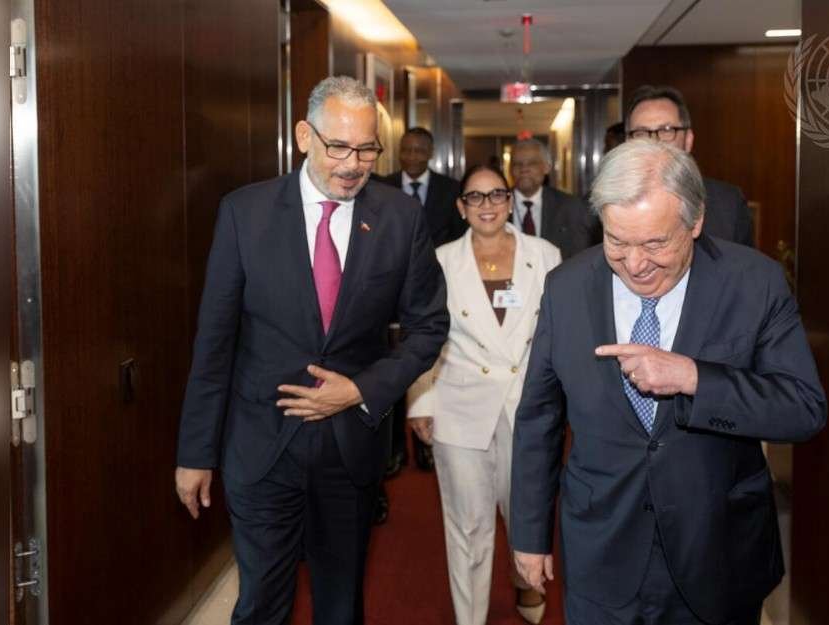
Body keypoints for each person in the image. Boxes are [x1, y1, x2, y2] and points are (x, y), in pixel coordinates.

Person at [510, 139, 827, 625]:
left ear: (695, 221)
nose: (635, 265)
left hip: (717, 549)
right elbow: (539, 419)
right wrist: (530, 535)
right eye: (618, 241)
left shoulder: (754, 283)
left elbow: (803, 408)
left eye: (655, 244)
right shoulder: (566, 288)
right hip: (602, 548)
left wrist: (697, 378)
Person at [174, 76, 449, 625]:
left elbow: (429, 327)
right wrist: (195, 453)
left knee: (340, 604)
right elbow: (215, 344)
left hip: (348, 456)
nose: (353, 163)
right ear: (304, 135)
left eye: (367, 149)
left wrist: (360, 390)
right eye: (338, 147)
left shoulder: (399, 218)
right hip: (261, 448)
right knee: (260, 604)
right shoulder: (243, 214)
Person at [406, 165, 561, 625]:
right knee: (467, 526)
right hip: (460, 405)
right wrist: (420, 400)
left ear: (510, 200)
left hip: (529, 409)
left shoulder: (546, 254)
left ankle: (525, 583)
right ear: (461, 207)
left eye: (496, 194)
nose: (487, 205)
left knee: (526, 515)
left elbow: (560, 334)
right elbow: (422, 336)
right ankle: (468, 618)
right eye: (475, 197)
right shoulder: (440, 260)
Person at [381, 126, 465, 478]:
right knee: (391, 369)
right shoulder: (381, 186)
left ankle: (426, 445)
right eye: (407, 150)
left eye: (419, 151)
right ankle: (395, 448)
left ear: (430, 153)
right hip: (389, 293)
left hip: (433, 291)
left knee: (426, 361)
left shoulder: (450, 190)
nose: (413, 157)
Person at [625, 84, 755, 246]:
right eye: (641, 134)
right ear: (627, 143)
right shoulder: (602, 208)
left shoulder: (728, 205)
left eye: (666, 130)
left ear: (688, 140)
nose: (653, 143)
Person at [509, 138, 593, 259]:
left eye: (532, 163)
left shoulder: (570, 207)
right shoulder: (496, 205)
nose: (524, 169)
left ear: (547, 167)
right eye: (517, 164)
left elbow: (581, 257)